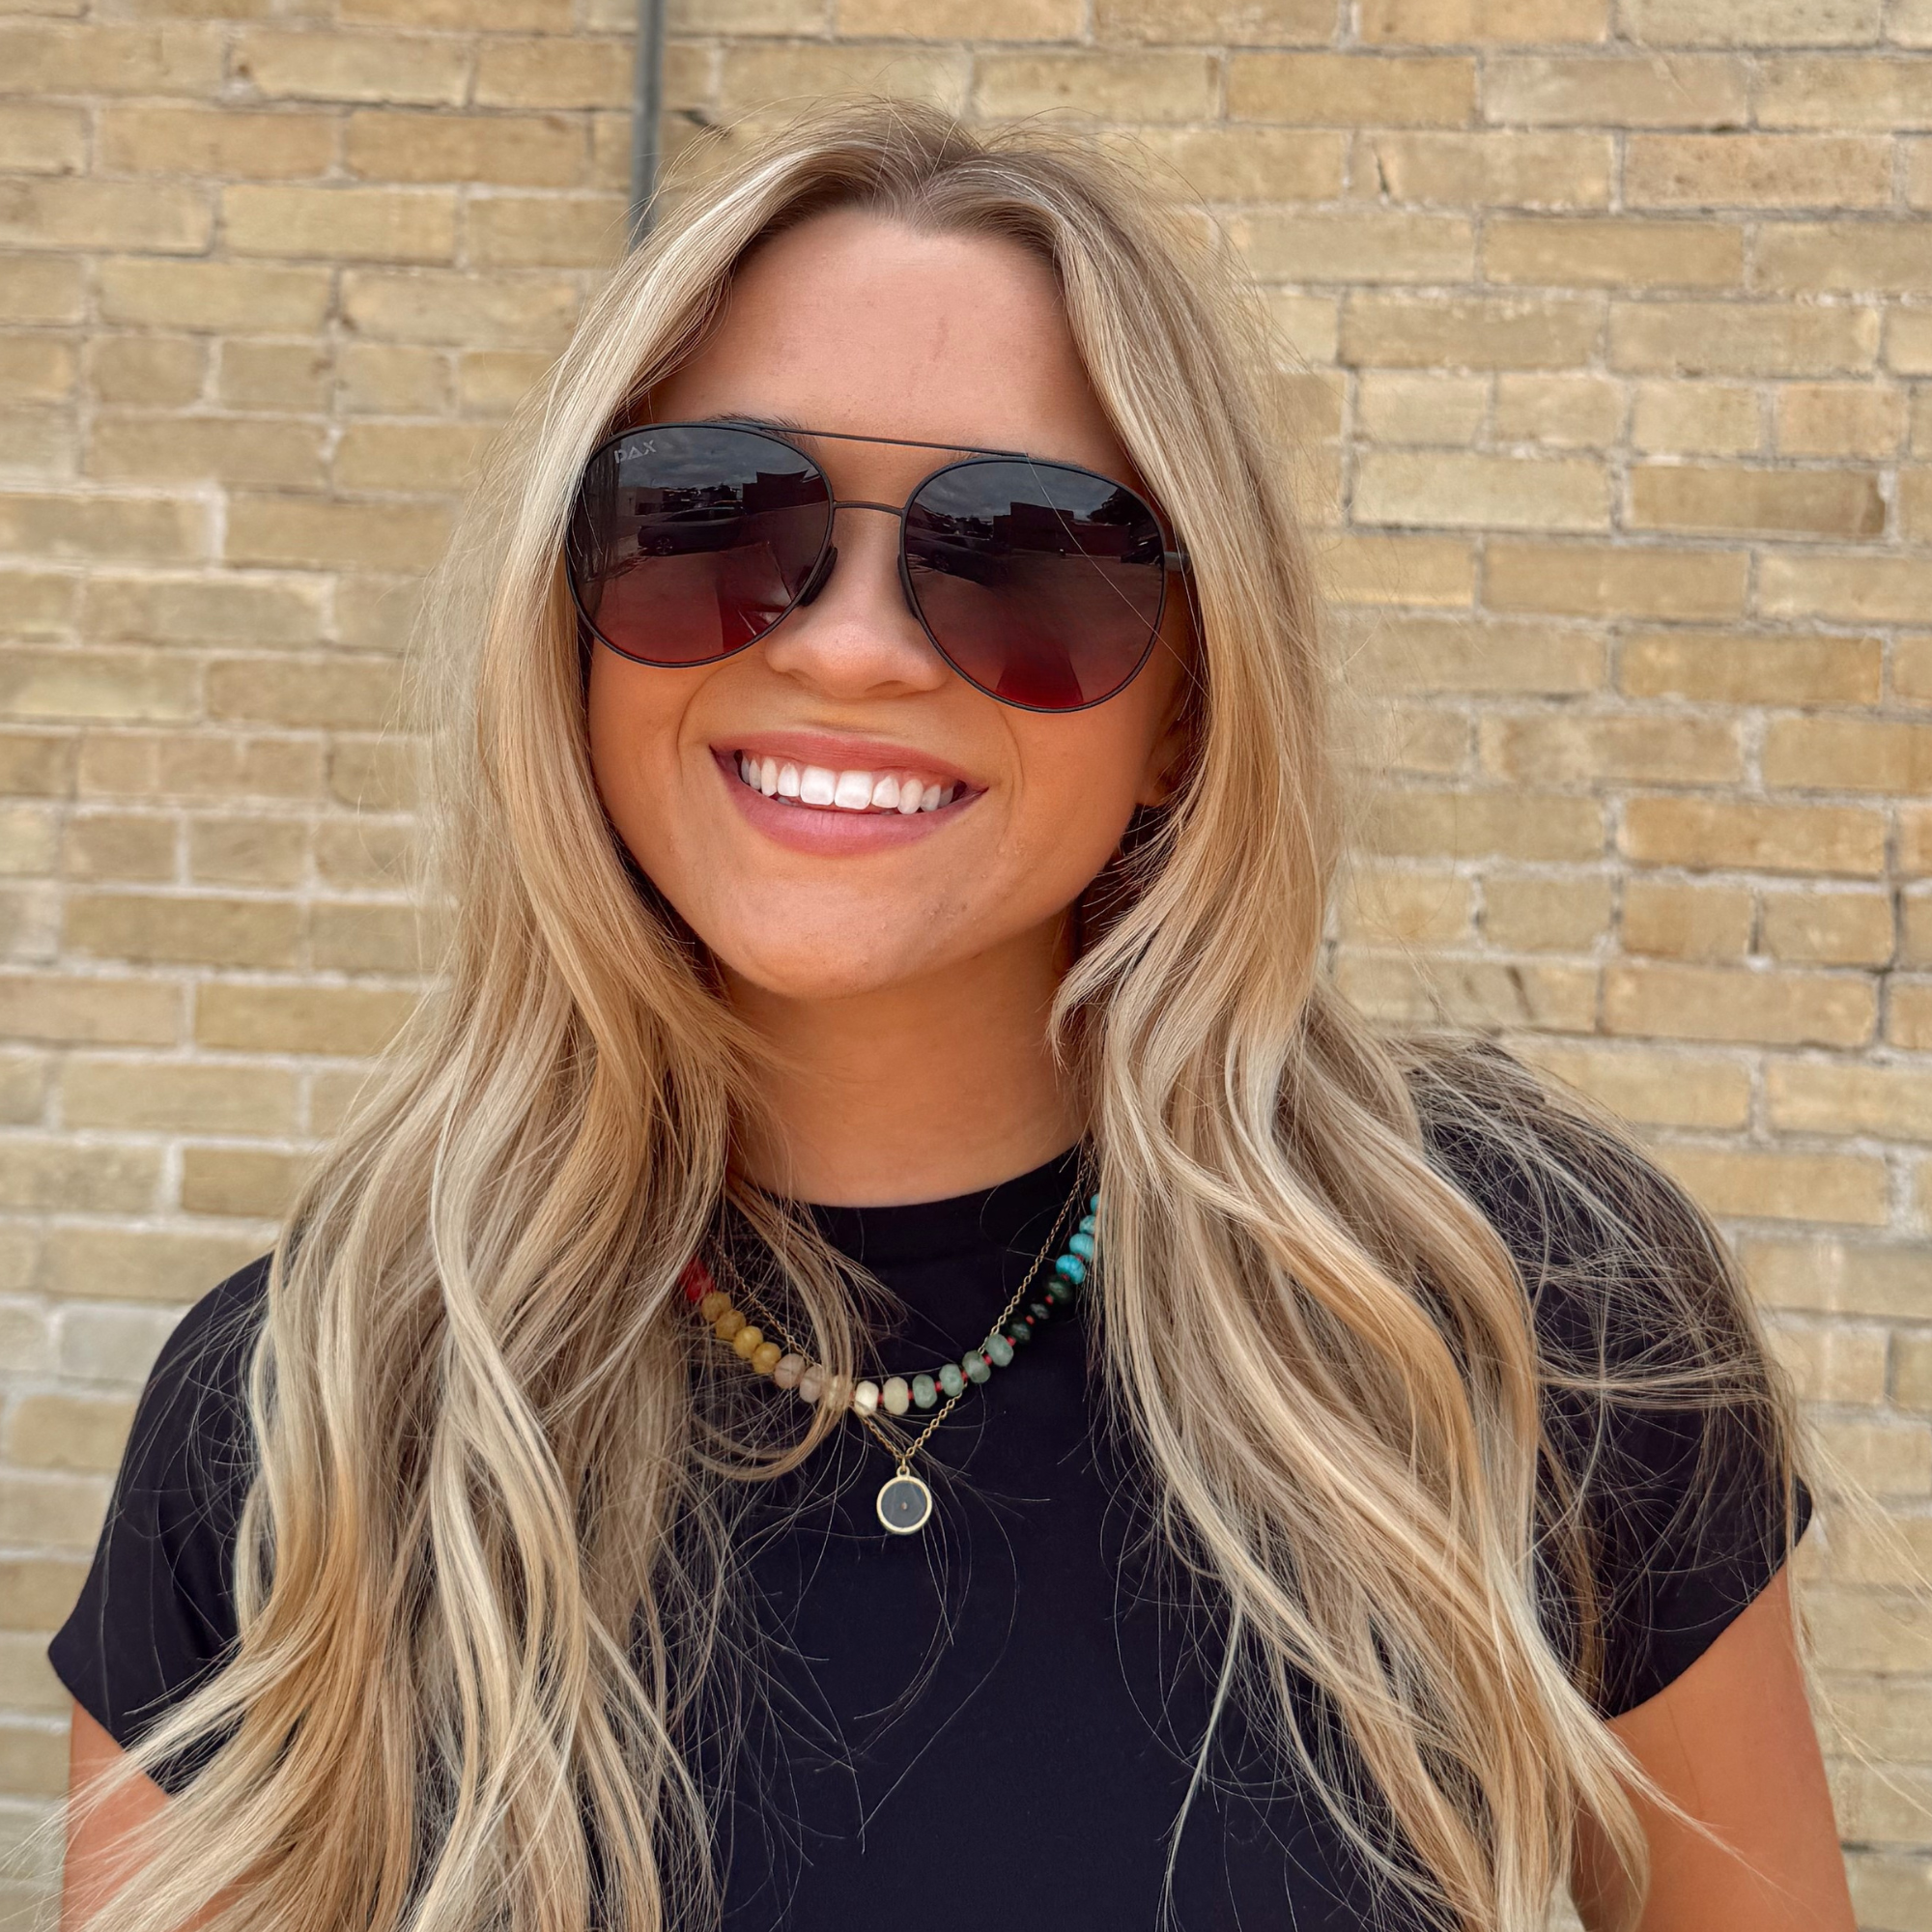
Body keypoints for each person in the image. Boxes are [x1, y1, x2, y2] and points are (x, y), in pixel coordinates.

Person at [49, 100, 1851, 1932]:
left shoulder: (1513, 1308)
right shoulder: (322, 1405)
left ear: (1185, 709)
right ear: (571, 621)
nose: (844, 645)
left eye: (1025, 556)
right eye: (713, 517)